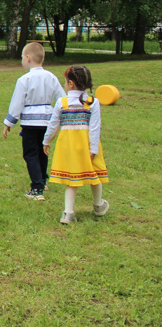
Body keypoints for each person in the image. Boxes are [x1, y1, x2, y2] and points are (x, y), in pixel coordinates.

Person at [43, 65, 110, 225]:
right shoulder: (92, 102)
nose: (64, 84)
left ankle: (68, 213)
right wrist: (93, 149)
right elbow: (94, 128)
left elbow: (53, 125)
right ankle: (99, 205)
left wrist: (47, 141)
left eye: (65, 81)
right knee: (95, 176)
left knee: (71, 180)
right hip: (87, 146)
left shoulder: (62, 102)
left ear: (71, 83)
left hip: (68, 147)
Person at [2, 43, 65, 201]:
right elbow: (61, 99)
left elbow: (17, 103)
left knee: (31, 154)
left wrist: (9, 123)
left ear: (28, 58)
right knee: (43, 152)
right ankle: (42, 180)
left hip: (30, 123)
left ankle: (37, 189)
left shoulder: (24, 79)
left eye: (22, 57)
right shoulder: (51, 77)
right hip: (47, 121)